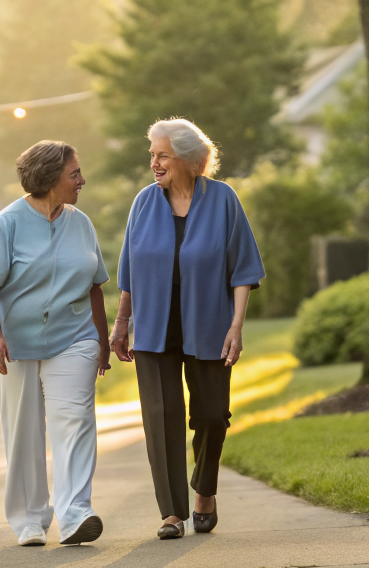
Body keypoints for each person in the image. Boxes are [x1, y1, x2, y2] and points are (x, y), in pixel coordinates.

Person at [111, 118, 264, 539]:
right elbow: (130, 272)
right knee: (161, 418)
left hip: (211, 325)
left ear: (189, 161)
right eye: (153, 155)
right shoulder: (144, 203)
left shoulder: (223, 200)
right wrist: (122, 323)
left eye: (162, 155)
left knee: (212, 416)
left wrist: (236, 326)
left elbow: (243, 270)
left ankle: (205, 490)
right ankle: (172, 514)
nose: (154, 163)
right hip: (155, 327)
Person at [0, 140, 111, 547]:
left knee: (75, 422)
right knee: (24, 431)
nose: (82, 180)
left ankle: (75, 514)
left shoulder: (81, 222)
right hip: (16, 343)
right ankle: (30, 518)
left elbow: (95, 286)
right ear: (49, 179)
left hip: (74, 336)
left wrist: (101, 341)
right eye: (74, 174)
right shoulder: (7, 223)